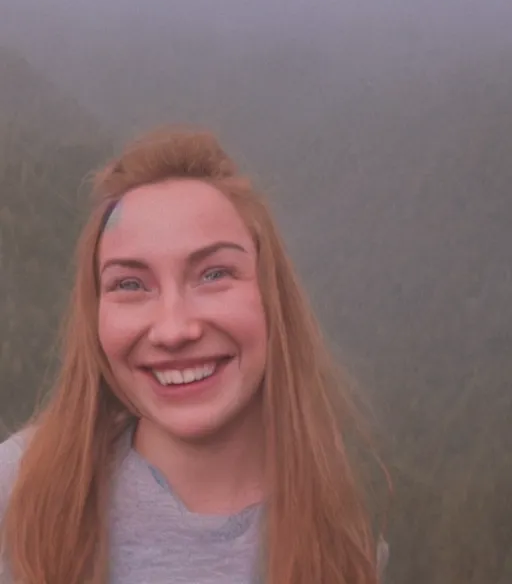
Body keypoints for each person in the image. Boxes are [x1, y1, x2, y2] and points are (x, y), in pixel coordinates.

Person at [0, 127, 388, 584]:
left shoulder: (341, 538)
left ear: (270, 298)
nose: (174, 329)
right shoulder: (19, 495)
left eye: (214, 274)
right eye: (130, 284)